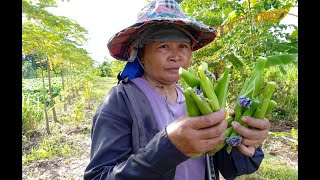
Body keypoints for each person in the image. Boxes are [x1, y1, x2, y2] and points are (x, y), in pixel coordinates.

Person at [84, 0, 271, 179]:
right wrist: (169, 147)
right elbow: (100, 176)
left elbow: (227, 166)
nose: (176, 56)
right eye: (163, 46)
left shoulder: (199, 98)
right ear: (140, 54)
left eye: (183, 46)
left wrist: (243, 142)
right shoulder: (120, 101)